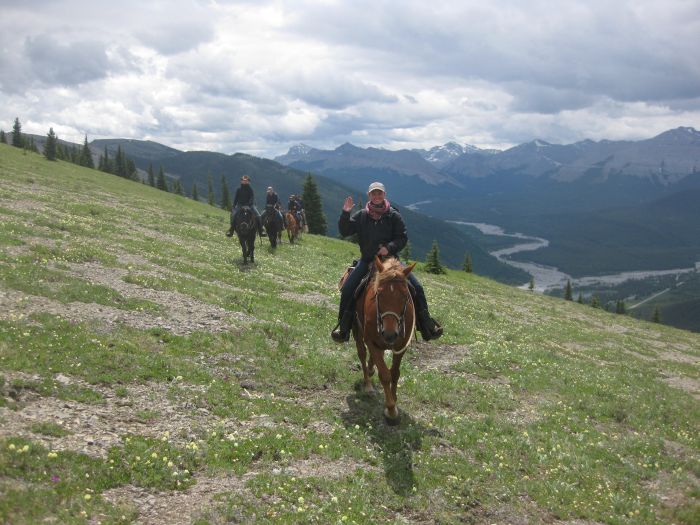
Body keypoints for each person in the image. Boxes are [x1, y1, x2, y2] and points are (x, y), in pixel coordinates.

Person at [331, 181, 443, 343]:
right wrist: (345, 213)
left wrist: (389, 247)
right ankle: (343, 327)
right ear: (369, 196)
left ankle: (426, 325)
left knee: (417, 287)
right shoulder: (362, 215)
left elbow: (402, 237)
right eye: (373, 193)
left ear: (384, 195)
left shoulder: (393, 215)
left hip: (392, 262)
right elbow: (345, 231)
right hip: (368, 260)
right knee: (348, 289)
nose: (376, 196)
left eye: (379, 193)